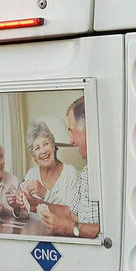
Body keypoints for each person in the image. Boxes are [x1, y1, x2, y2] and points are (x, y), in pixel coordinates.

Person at [40, 97, 100, 240]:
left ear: (89, 129)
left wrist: (71, 228)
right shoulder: (87, 171)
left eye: (72, 131)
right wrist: (34, 202)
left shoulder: (111, 172)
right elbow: (71, 212)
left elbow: (115, 232)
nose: (71, 141)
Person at [20, 121, 79, 207]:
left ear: (53, 146)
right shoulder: (31, 175)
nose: (43, 151)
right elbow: (25, 213)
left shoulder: (70, 174)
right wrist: (17, 207)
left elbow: (73, 213)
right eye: (37, 148)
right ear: (34, 156)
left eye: (46, 144)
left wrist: (45, 194)